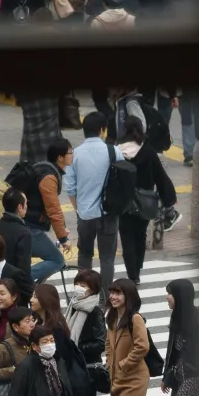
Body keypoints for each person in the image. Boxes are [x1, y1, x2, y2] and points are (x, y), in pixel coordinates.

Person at [114, 117, 175, 284]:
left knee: (126, 238)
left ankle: (132, 275)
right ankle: (138, 269)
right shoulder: (148, 152)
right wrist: (169, 199)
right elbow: (160, 177)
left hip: (124, 203)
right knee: (140, 235)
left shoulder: (117, 152)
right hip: (144, 203)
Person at [67, 112, 118, 278]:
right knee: (107, 258)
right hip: (108, 213)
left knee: (84, 255)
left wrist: (78, 209)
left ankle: (85, 292)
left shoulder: (75, 154)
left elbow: (70, 188)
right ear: (102, 130)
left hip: (85, 214)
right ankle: (105, 297)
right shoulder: (114, 152)